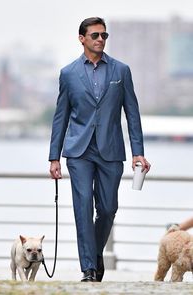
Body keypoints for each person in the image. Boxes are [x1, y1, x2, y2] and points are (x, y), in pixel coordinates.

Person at [49, 17, 151, 282]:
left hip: (111, 150)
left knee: (107, 209)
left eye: (104, 35)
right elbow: (61, 116)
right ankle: (89, 269)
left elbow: (132, 113)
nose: (100, 40)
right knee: (82, 207)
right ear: (82, 38)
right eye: (95, 35)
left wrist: (138, 152)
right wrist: (54, 157)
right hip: (79, 152)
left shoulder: (121, 71)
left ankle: (94, 256)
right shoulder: (68, 73)